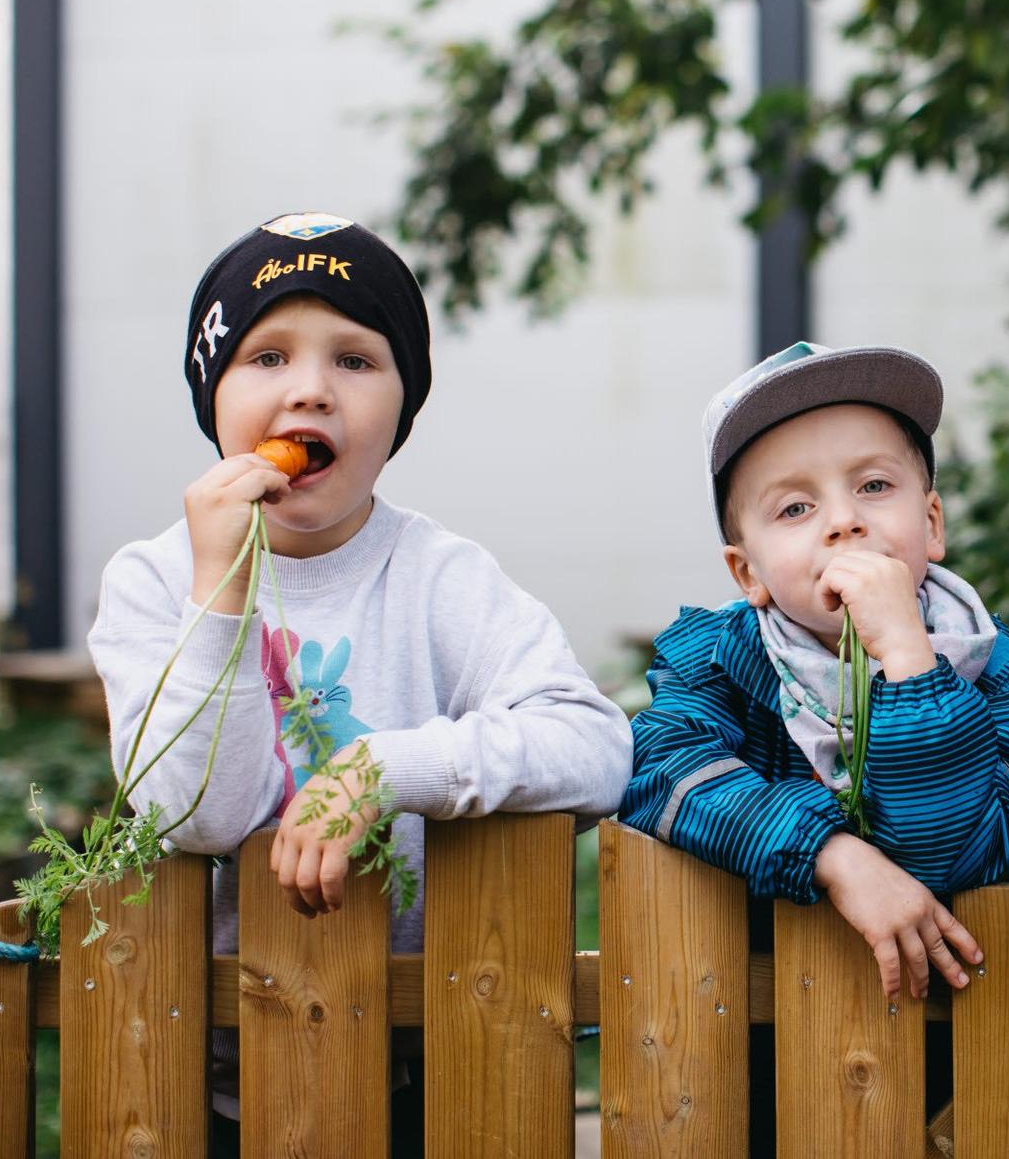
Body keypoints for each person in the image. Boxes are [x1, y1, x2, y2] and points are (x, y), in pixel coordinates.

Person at [87, 212, 633, 1138]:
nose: (310, 390)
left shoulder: (441, 578)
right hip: (206, 1069)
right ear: (211, 393)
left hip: (436, 1056)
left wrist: (380, 770)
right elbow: (201, 814)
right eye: (267, 357)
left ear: (401, 409)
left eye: (355, 359)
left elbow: (596, 746)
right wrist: (221, 592)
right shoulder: (153, 581)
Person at [620, 341, 1009, 1002]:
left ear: (931, 524)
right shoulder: (717, 662)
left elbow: (952, 857)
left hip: (947, 1046)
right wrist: (834, 854)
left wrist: (910, 657)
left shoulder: (991, 685)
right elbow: (661, 774)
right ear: (748, 573)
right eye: (795, 508)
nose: (845, 521)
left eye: (874, 486)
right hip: (757, 1026)